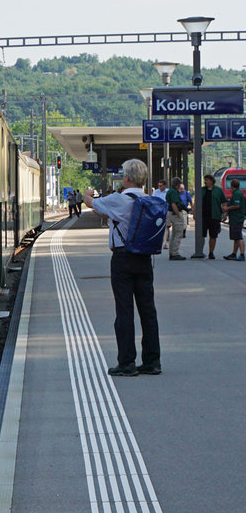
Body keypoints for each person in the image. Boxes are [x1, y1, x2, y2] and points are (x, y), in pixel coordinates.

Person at [84, 158, 161, 377]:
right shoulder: (150, 199)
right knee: (148, 310)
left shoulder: (118, 199)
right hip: (145, 259)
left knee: (124, 311)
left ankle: (127, 362)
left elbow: (92, 205)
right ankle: (152, 362)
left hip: (123, 259)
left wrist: (87, 194)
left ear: (126, 178)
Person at [197, 174, 226, 259]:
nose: (205, 182)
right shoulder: (202, 190)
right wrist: (195, 213)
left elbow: (224, 202)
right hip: (203, 216)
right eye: (205, 180)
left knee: (213, 236)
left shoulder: (218, 191)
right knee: (201, 235)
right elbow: (196, 203)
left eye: (207, 180)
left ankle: (211, 252)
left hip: (215, 216)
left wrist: (224, 213)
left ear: (212, 181)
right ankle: (200, 251)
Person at [165, 177, 187, 260]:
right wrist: (178, 214)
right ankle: (175, 253)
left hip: (169, 213)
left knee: (173, 234)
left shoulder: (169, 191)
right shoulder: (174, 192)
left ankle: (172, 252)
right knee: (178, 233)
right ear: (178, 184)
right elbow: (174, 204)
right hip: (175, 214)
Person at [225, 179, 246, 261]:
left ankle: (242, 254)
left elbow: (237, 205)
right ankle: (234, 253)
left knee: (239, 237)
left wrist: (227, 208)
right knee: (236, 237)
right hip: (235, 218)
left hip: (237, 218)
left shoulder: (237, 194)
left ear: (232, 185)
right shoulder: (237, 193)